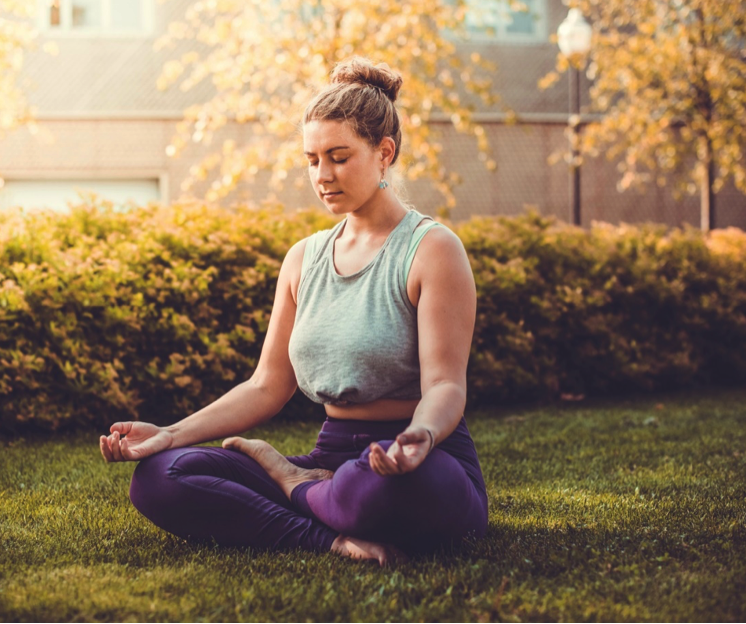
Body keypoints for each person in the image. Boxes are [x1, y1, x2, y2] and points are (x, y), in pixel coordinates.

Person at [99, 57, 487, 566]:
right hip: (331, 459)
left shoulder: (432, 249)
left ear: (384, 153)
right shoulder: (304, 258)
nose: (322, 175)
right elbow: (266, 386)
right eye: (312, 159)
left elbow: (445, 386)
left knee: (381, 489)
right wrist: (170, 434)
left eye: (339, 156)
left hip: (418, 459)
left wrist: (421, 437)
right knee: (160, 478)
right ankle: (325, 535)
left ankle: (291, 486)